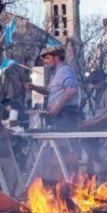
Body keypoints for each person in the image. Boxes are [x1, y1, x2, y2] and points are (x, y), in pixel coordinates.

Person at [25, 46, 80, 174]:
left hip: (66, 115)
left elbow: (71, 90)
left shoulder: (65, 70)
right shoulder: (55, 75)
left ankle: (69, 179)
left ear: (57, 57)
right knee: (58, 149)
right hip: (60, 116)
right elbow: (49, 91)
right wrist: (34, 87)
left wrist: (57, 107)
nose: (45, 61)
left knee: (63, 149)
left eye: (48, 58)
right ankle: (63, 179)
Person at [81, 70, 107, 173]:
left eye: (95, 83)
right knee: (84, 139)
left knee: (92, 143)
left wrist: (92, 123)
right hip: (100, 125)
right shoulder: (100, 92)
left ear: (102, 81)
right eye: (92, 83)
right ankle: (97, 162)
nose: (93, 86)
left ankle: (100, 164)